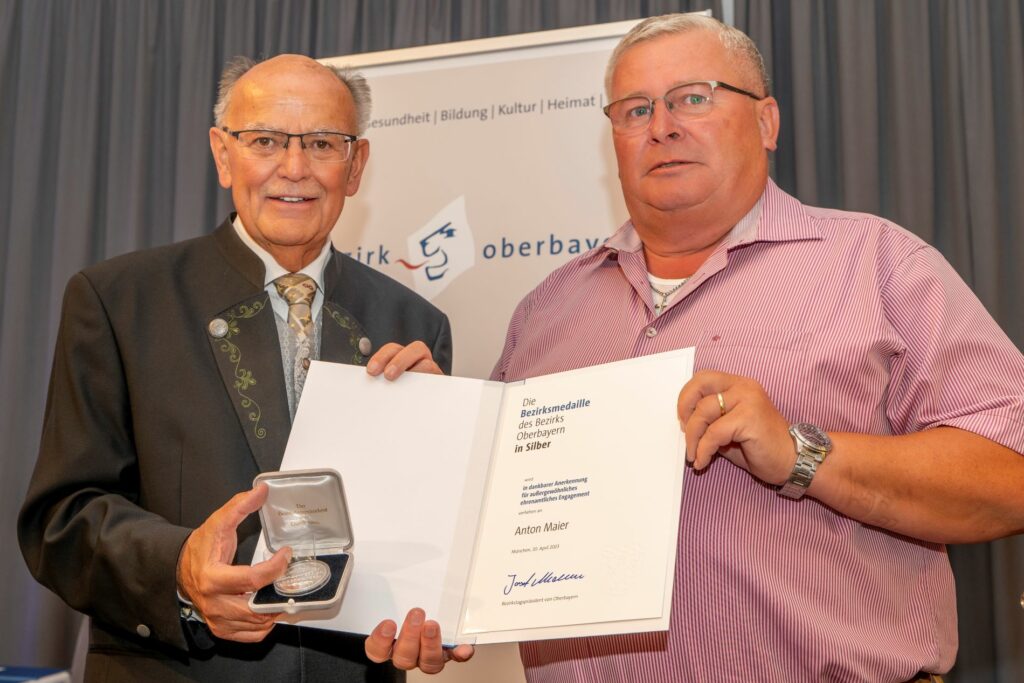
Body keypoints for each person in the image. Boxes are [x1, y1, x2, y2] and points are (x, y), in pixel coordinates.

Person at [366, 14, 1024, 683]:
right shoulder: (548, 310)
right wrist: (433, 446)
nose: (662, 127)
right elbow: (494, 528)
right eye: (635, 109)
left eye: (693, 98)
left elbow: (1010, 476)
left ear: (766, 121)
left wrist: (801, 453)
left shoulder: (878, 265)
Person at [18, 54, 464, 681]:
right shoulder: (119, 300)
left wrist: (443, 601)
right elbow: (61, 520)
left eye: (322, 143)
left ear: (356, 164)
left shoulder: (414, 326)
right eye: (265, 141)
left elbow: (430, 534)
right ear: (223, 155)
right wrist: (180, 567)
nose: (295, 167)